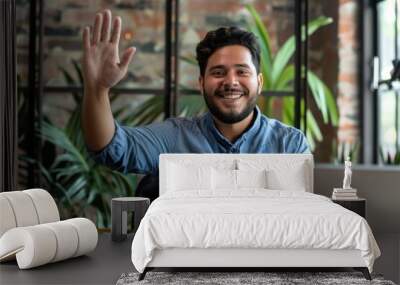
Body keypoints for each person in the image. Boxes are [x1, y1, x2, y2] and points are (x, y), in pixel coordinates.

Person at [81, 9, 310, 178]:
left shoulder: (289, 144)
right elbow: (112, 149)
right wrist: (98, 89)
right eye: (218, 72)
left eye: (241, 71)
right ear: (201, 83)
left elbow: (302, 217)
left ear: (259, 82)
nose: (231, 81)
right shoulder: (174, 138)